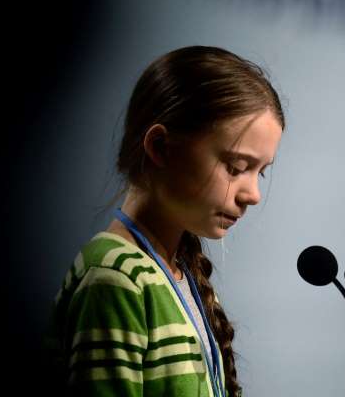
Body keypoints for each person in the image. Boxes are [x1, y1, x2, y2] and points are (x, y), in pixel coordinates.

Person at [45, 46, 285, 396]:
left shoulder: (178, 273)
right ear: (159, 146)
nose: (253, 194)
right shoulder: (117, 278)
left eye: (260, 173)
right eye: (236, 167)